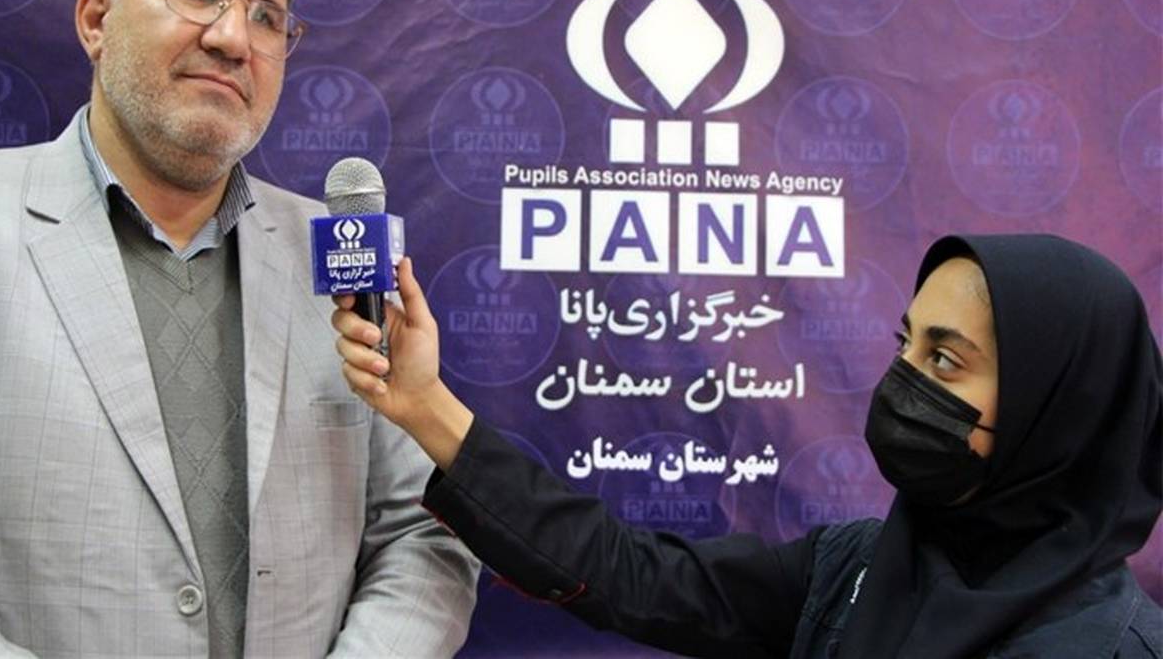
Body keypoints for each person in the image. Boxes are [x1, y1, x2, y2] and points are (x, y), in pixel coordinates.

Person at [0, 0, 478, 658]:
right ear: (97, 17)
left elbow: (426, 530)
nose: (233, 38)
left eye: (266, 16)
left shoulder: (344, 257)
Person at [332, 234, 1163, 657]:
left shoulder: (1117, 648)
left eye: (945, 360)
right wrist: (426, 406)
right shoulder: (856, 570)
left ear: (1060, 412)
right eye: (905, 344)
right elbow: (632, 573)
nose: (903, 380)